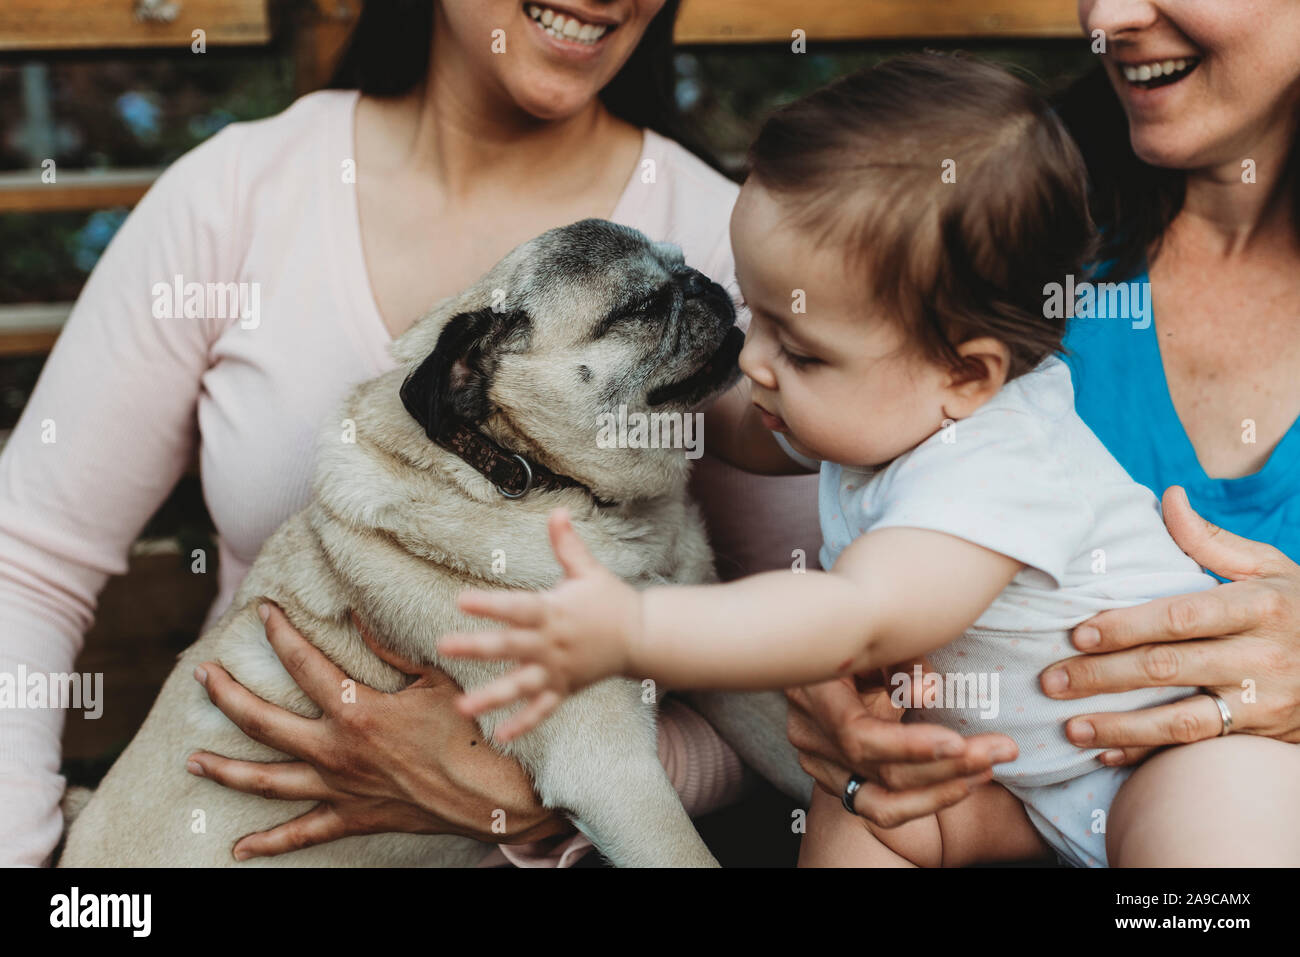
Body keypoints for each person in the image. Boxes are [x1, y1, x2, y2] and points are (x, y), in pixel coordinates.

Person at [0, 0, 819, 867]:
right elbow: (29, 561)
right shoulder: (240, 192)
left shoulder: (742, 238)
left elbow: (806, 637)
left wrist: (545, 792)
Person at [436, 54, 1300, 868]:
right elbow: (729, 426)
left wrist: (634, 630)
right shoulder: (884, 404)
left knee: (1217, 839)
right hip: (996, 775)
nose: (755, 361)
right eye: (755, 312)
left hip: (1163, 749)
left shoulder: (996, 462)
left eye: (801, 349)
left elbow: (859, 615)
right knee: (859, 801)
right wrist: (551, 425)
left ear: (966, 374)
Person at [783, 0, 1300, 855]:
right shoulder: (987, 223)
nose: (1110, 15)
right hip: (994, 798)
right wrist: (834, 691)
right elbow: (787, 415)